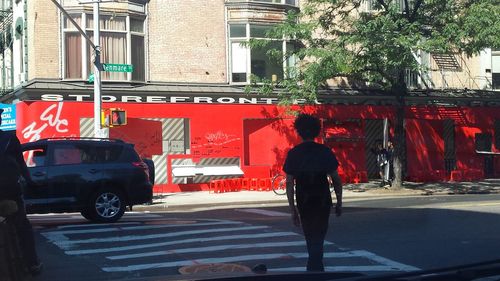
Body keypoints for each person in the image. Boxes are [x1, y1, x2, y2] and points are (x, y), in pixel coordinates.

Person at [283, 113, 343, 272]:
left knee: (309, 233)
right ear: (317, 131)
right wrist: (339, 203)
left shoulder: (294, 153)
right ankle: (316, 264)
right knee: (320, 233)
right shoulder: (324, 151)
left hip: (304, 200)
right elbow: (336, 179)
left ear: (299, 132)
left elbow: (289, 183)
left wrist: (292, 209)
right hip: (323, 199)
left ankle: (314, 265)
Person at [0, 108, 43, 276]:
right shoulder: (9, 138)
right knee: (22, 227)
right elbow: (21, 163)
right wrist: (31, 181)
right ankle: (32, 263)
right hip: (10, 191)